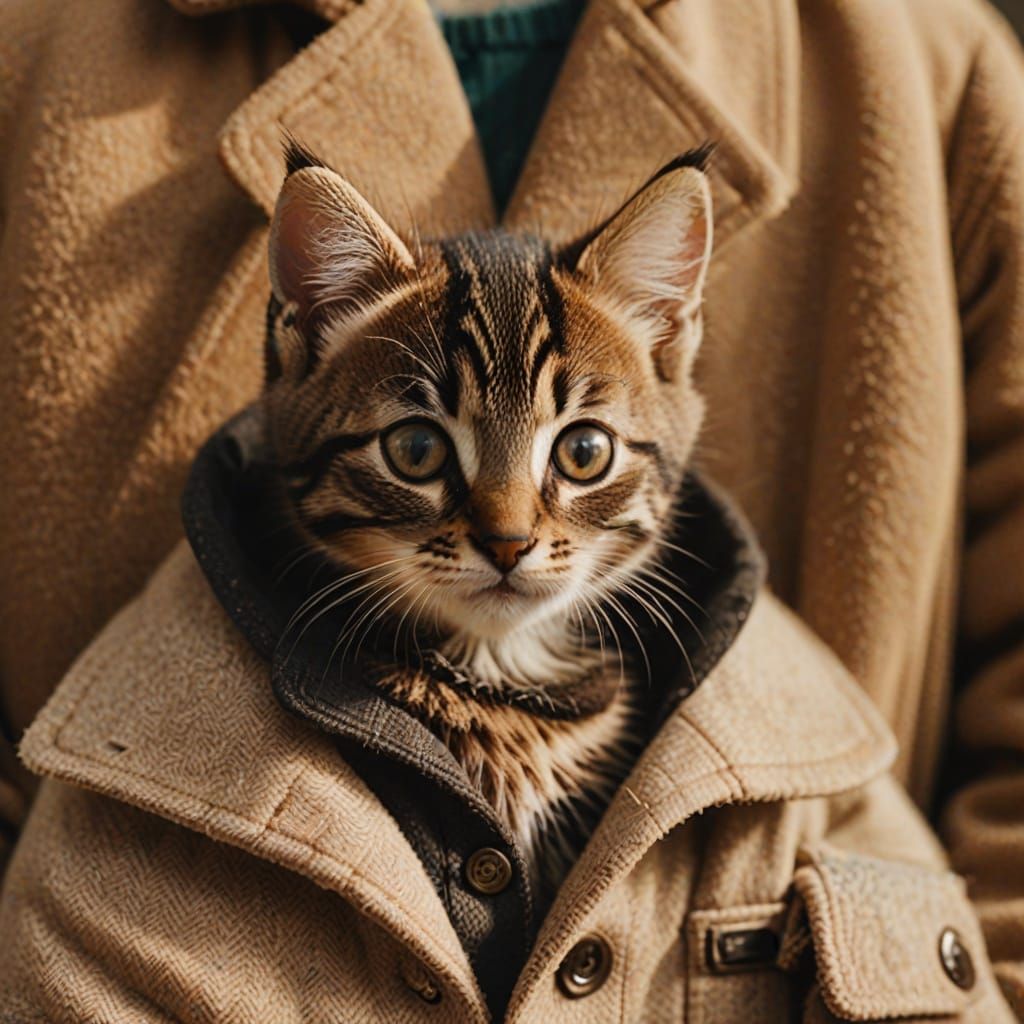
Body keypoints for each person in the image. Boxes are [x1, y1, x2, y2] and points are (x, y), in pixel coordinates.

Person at [0, 0, 1021, 1018]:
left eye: (579, 452)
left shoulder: (926, 62)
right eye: (416, 450)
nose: (508, 530)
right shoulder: (39, 48)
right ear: (306, 328)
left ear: (672, 333)